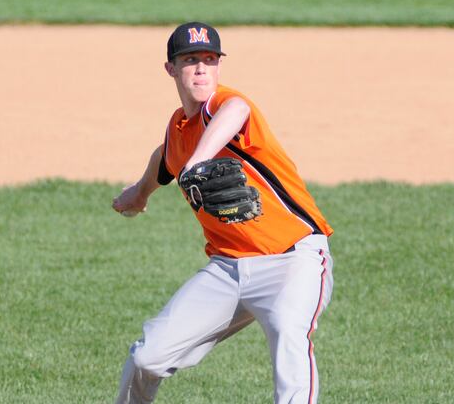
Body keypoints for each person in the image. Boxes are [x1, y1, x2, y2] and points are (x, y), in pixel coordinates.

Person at [111, 22, 335, 404]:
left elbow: (237, 108)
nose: (201, 69)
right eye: (191, 60)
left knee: (288, 332)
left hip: (293, 261)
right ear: (171, 68)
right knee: (147, 358)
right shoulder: (178, 129)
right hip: (228, 270)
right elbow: (164, 159)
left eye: (210, 60)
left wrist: (200, 160)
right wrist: (138, 193)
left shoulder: (225, 105)